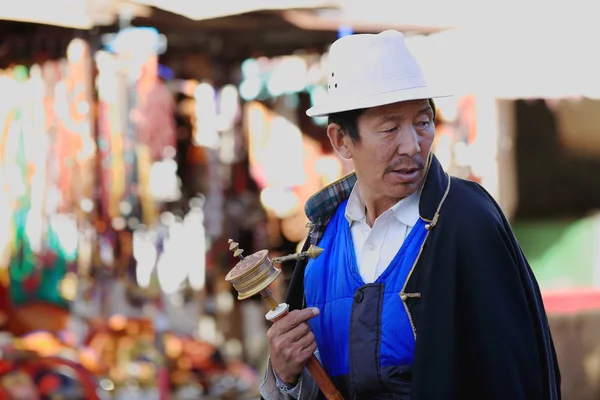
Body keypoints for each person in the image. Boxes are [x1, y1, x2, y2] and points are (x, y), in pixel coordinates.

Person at [259, 30, 561, 400]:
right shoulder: (323, 242)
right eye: (390, 128)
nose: (413, 145)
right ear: (340, 140)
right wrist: (285, 375)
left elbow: (514, 375)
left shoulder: (466, 221)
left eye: (423, 121)